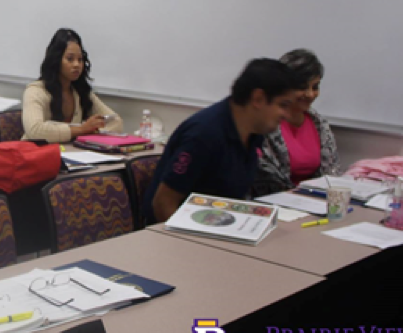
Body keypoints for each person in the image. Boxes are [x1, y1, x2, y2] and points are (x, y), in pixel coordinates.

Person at [143, 58, 301, 224]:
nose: (287, 115)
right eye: (283, 105)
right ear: (258, 99)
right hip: (179, 236)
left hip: (218, 225)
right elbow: (163, 204)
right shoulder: (204, 134)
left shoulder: (254, 133)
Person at [254, 49, 342, 196]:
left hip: (316, 202)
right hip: (275, 202)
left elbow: (333, 174)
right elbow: (263, 178)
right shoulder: (264, 123)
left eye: (315, 87)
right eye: (302, 87)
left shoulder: (319, 124)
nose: (309, 94)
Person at [22, 28, 124, 142]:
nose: (76, 65)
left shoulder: (80, 91)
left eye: (80, 59)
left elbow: (115, 121)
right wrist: (81, 129)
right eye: (70, 59)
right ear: (56, 60)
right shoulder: (36, 91)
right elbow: (35, 130)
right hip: (38, 155)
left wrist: (91, 132)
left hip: (70, 154)